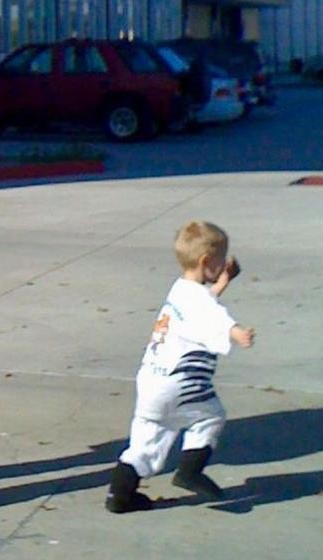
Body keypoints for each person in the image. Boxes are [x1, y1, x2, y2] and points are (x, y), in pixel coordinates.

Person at [105, 219, 255, 513]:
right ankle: (190, 472)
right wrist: (237, 333)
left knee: (144, 444)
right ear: (205, 261)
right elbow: (213, 316)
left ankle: (119, 497)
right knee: (210, 417)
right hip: (180, 383)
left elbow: (199, 309)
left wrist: (222, 282)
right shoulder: (200, 302)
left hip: (151, 381)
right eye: (221, 259)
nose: (224, 263)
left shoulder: (180, 289)